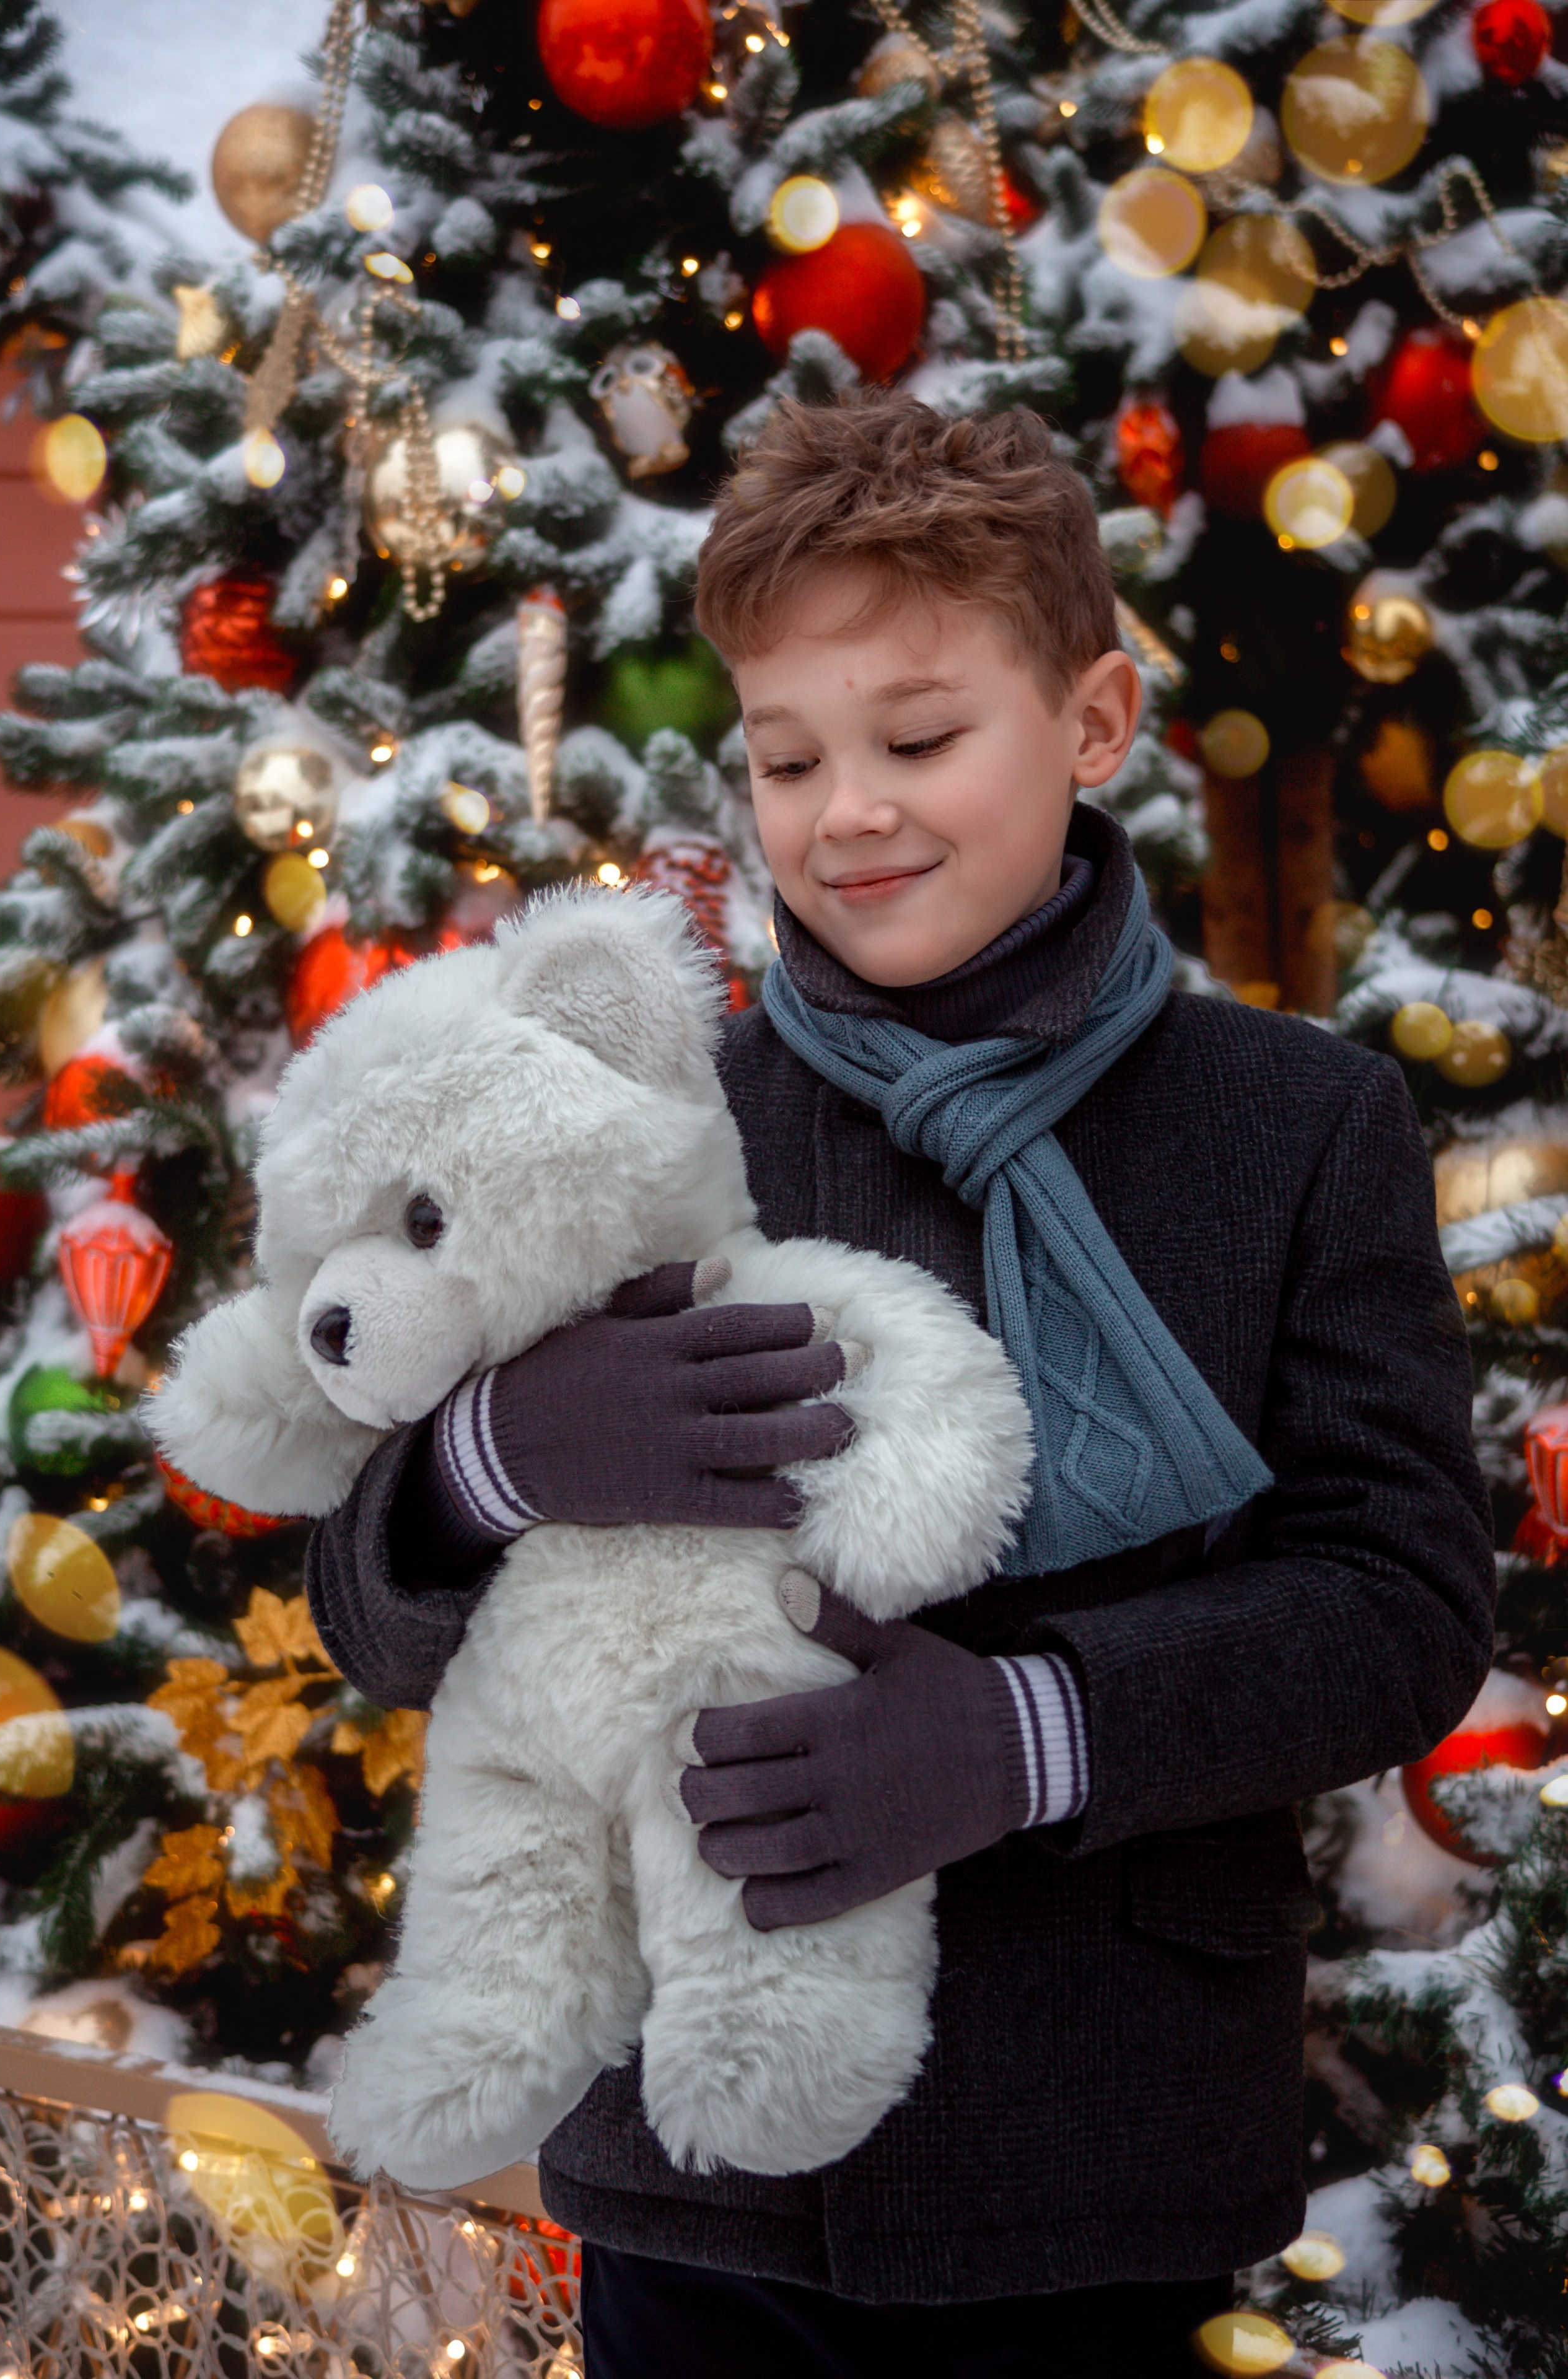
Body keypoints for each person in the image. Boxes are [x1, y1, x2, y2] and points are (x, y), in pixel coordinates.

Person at [307, 393, 1494, 2379]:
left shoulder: (1294, 1125)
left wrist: (1035, 1735)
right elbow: (370, 1613)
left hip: (1100, 2154)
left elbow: (1402, 1604)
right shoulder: (635, 1131)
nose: (848, 808)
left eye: (919, 740)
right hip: (697, 2178)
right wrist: (492, 1461)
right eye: (789, 758)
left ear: (1095, 725)